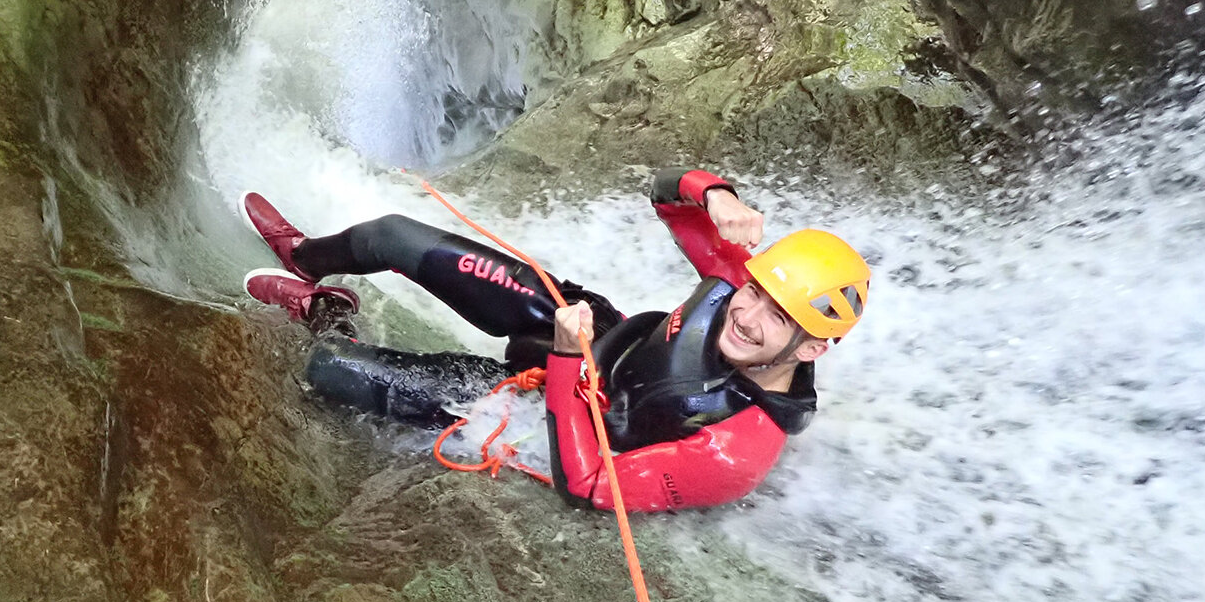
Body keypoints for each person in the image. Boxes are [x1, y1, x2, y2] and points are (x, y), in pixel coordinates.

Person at [239, 169, 870, 513]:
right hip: (587, 323)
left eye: (778, 318)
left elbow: (592, 486)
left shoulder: (735, 454)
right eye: (755, 290)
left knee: (331, 369)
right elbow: (665, 188)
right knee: (393, 235)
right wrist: (715, 194)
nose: (748, 313)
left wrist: (567, 366)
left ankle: (327, 312)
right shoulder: (738, 289)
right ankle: (305, 259)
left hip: (547, 413)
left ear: (811, 348)